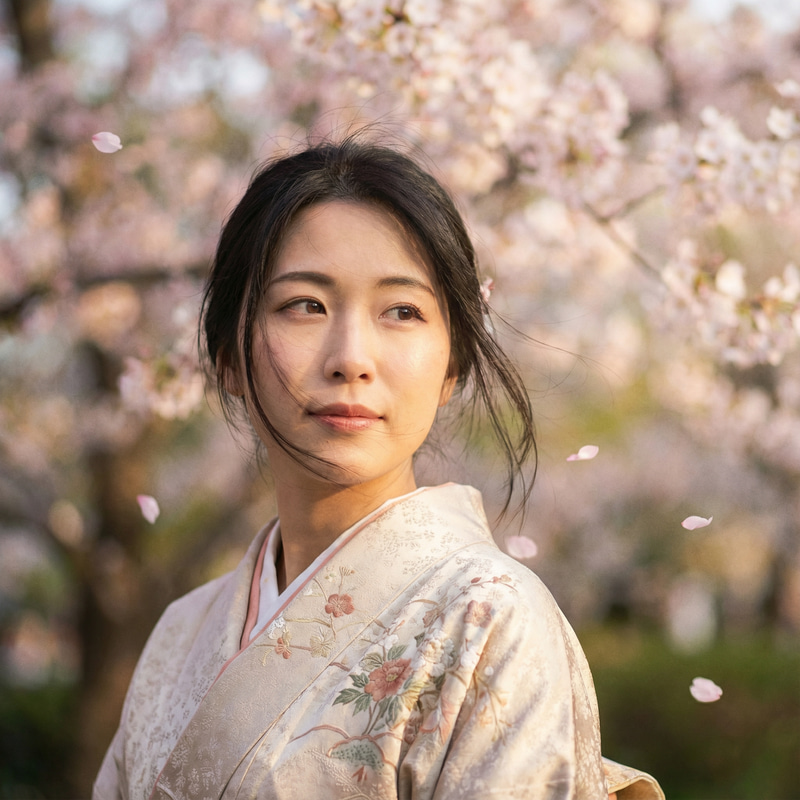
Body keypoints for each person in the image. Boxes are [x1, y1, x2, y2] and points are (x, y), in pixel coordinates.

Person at [93, 137, 663, 799]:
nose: (352, 359)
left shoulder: (488, 618)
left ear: (451, 369)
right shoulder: (179, 634)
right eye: (305, 305)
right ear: (228, 358)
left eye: (402, 312)